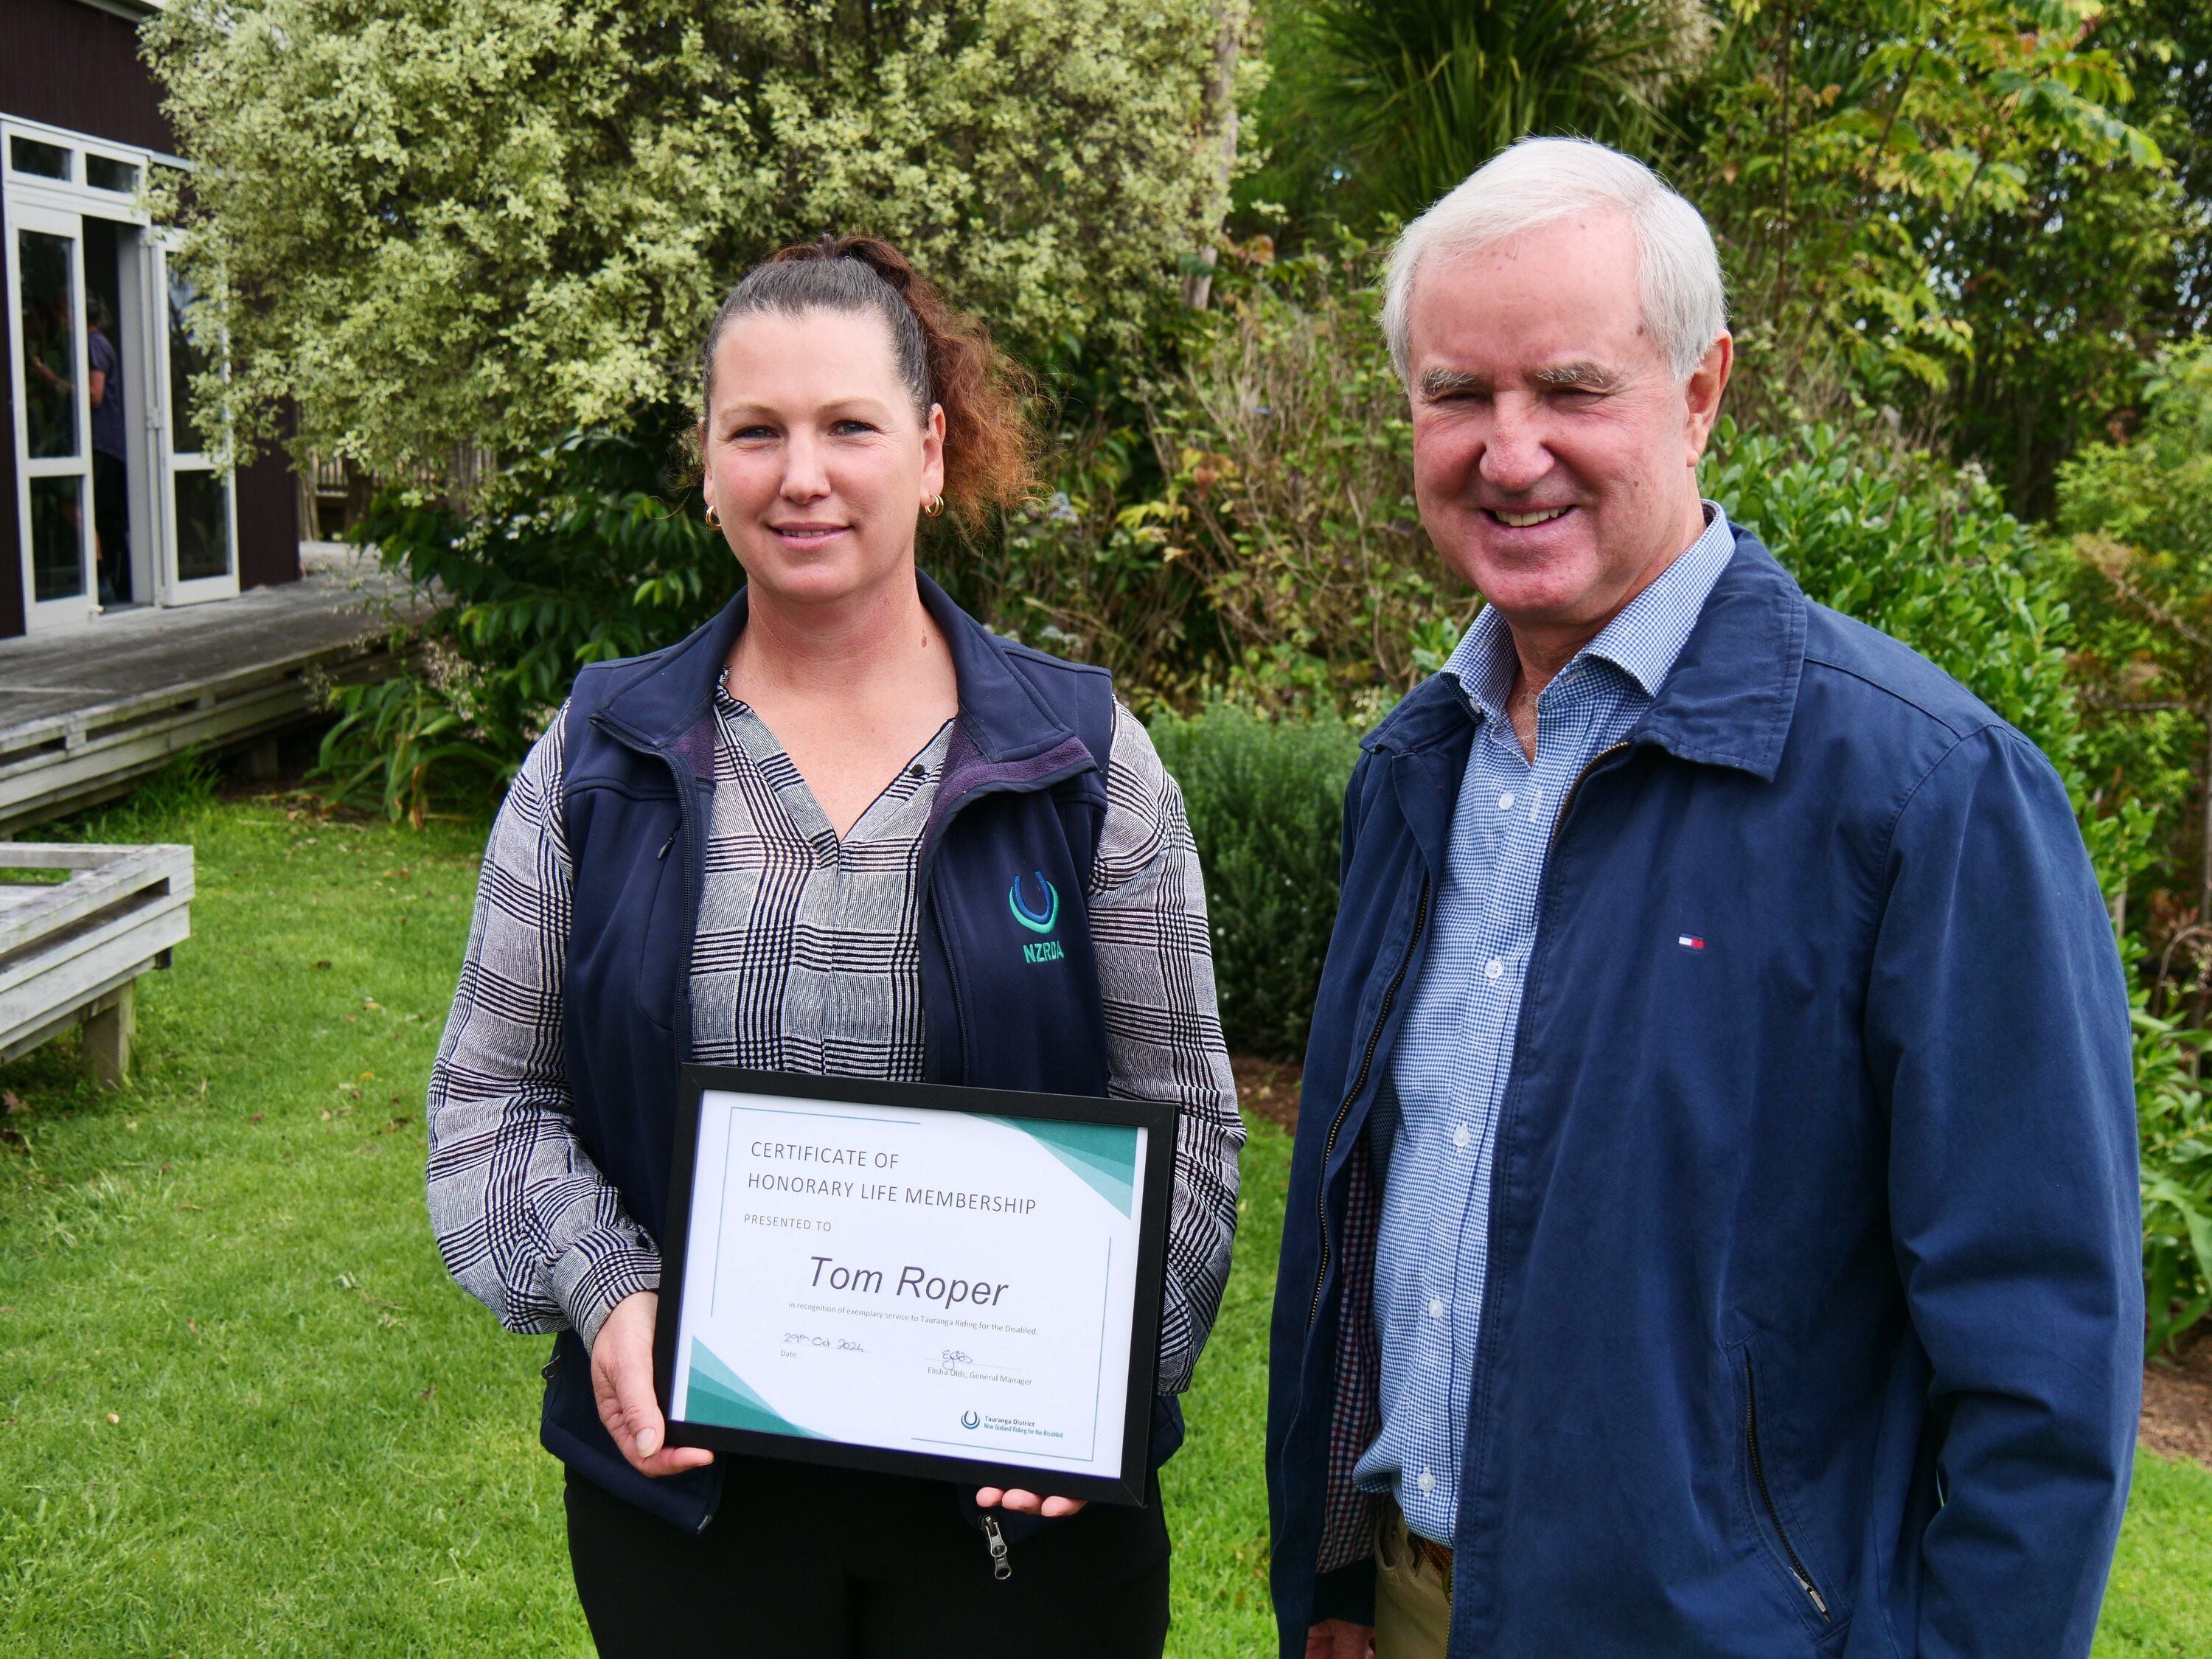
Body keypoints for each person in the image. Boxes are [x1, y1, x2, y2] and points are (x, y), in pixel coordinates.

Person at [1266, 137, 2141, 1659]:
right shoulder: (1417, 767)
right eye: (1458, 393)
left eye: (1573, 389)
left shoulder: (1924, 793)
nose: (1510, 449)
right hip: (1409, 1610)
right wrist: (1346, 1576)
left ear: (1701, 391)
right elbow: (1369, 1213)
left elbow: (2045, 1368)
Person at [428, 235, 1244, 1658]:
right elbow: (489, 1102)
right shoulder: (600, 754)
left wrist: (1094, 1378)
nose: (802, 475)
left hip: (1020, 1523)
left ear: (929, 452)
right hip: (690, 1507)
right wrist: (609, 1289)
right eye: (757, 431)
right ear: (706, 463)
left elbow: (1190, 1122)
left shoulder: (1080, 758)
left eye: (849, 427)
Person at [87, 294, 131, 605]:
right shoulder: (101, 343)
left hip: (101, 442)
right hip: (109, 443)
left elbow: (94, 396)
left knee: (98, 515)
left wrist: (55, 382)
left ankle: (108, 582)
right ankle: (121, 585)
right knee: (109, 518)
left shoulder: (94, 345)